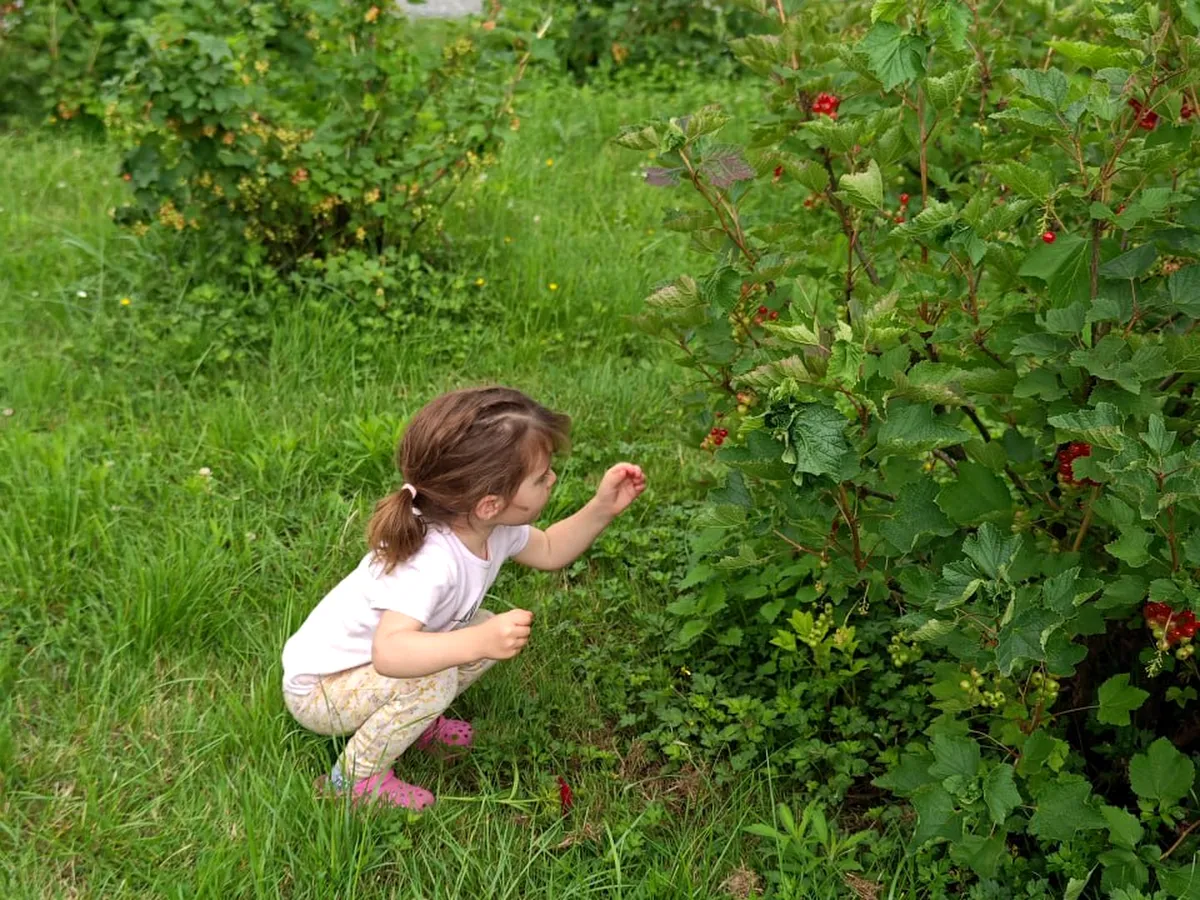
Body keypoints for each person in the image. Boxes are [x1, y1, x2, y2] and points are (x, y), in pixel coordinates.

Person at [281, 386, 646, 810]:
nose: (553, 479)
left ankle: (410, 723)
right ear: (490, 504)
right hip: (321, 691)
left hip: (361, 673)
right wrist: (478, 642)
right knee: (449, 663)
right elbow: (390, 652)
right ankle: (355, 780)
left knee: (480, 627)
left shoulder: (488, 526)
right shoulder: (430, 563)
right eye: (541, 477)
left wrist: (601, 508)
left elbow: (548, 550)